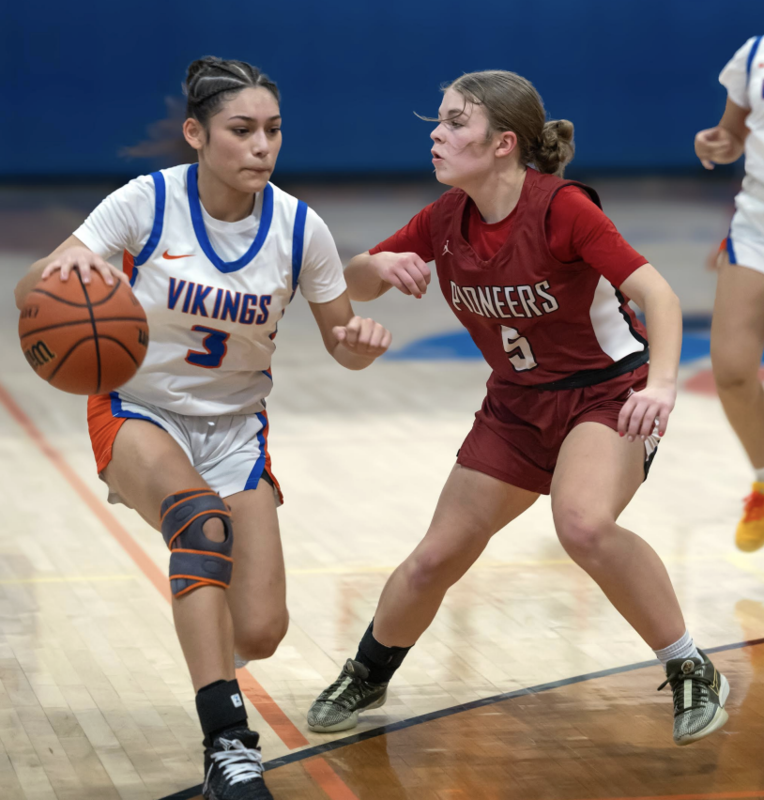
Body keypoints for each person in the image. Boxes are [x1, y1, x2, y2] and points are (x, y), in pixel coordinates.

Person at [307, 70, 729, 747]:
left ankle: (690, 667)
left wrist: (664, 385)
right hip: (515, 406)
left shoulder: (562, 209)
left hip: (606, 392)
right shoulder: (447, 218)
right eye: (437, 122)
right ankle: (367, 672)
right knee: (434, 558)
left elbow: (661, 296)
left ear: (504, 143)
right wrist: (375, 267)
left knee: (583, 525)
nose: (437, 136)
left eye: (453, 122)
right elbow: (355, 283)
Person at [15, 57, 391, 800]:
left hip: (234, 429)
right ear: (197, 133)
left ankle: (215, 669)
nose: (262, 146)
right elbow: (34, 287)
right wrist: (70, 282)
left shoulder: (297, 228)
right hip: (138, 409)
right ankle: (228, 744)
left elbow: (341, 342)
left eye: (273, 131)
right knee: (199, 525)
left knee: (258, 631)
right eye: (242, 130)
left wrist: (358, 345)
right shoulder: (145, 203)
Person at [695, 35, 764, 552]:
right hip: (756, 229)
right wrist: (718, 142)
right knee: (733, 369)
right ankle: (763, 480)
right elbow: (734, 136)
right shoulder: (752, 54)